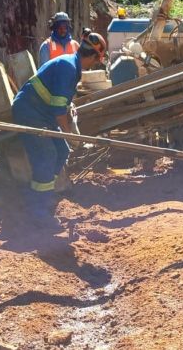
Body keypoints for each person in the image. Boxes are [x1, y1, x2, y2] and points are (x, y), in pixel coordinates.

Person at [12, 32, 107, 226]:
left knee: (62, 150)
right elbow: (57, 109)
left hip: (40, 112)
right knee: (47, 154)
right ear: (91, 57)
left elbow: (60, 100)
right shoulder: (69, 67)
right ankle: (37, 210)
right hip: (30, 111)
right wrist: (68, 133)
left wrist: (69, 108)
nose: (94, 65)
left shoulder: (71, 65)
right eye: (96, 61)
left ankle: (42, 194)